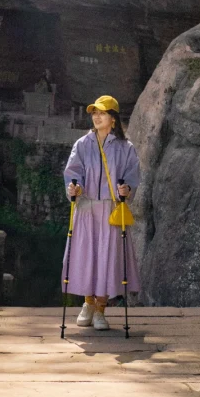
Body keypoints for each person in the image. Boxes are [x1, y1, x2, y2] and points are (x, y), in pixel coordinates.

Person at [63, 94, 141, 330]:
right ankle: (87, 303)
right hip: (86, 208)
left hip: (110, 209)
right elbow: (72, 173)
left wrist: (126, 189)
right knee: (87, 255)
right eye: (94, 113)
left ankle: (101, 309)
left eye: (102, 113)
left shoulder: (126, 148)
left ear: (113, 119)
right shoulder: (82, 144)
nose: (96, 117)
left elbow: (132, 177)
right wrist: (73, 189)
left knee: (107, 258)